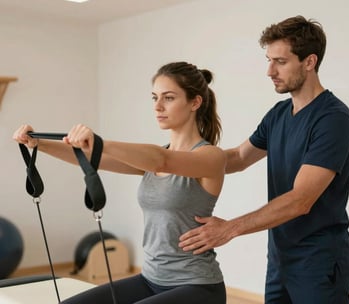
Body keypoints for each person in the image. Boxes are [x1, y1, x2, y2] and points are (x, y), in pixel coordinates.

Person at [13, 61, 226, 304]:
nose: (157, 106)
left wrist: (98, 141)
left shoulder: (209, 157)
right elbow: (94, 159)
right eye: (154, 97)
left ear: (195, 103)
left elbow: (163, 161)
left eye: (168, 98)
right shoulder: (154, 157)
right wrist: (39, 144)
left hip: (197, 287)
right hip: (150, 279)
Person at [179, 15, 349, 304]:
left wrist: (229, 229)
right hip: (279, 259)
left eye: (280, 62)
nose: (269, 71)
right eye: (268, 59)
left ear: (309, 62)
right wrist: (175, 163)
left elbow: (301, 199)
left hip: (319, 261)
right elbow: (237, 157)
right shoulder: (277, 115)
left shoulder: (333, 119)